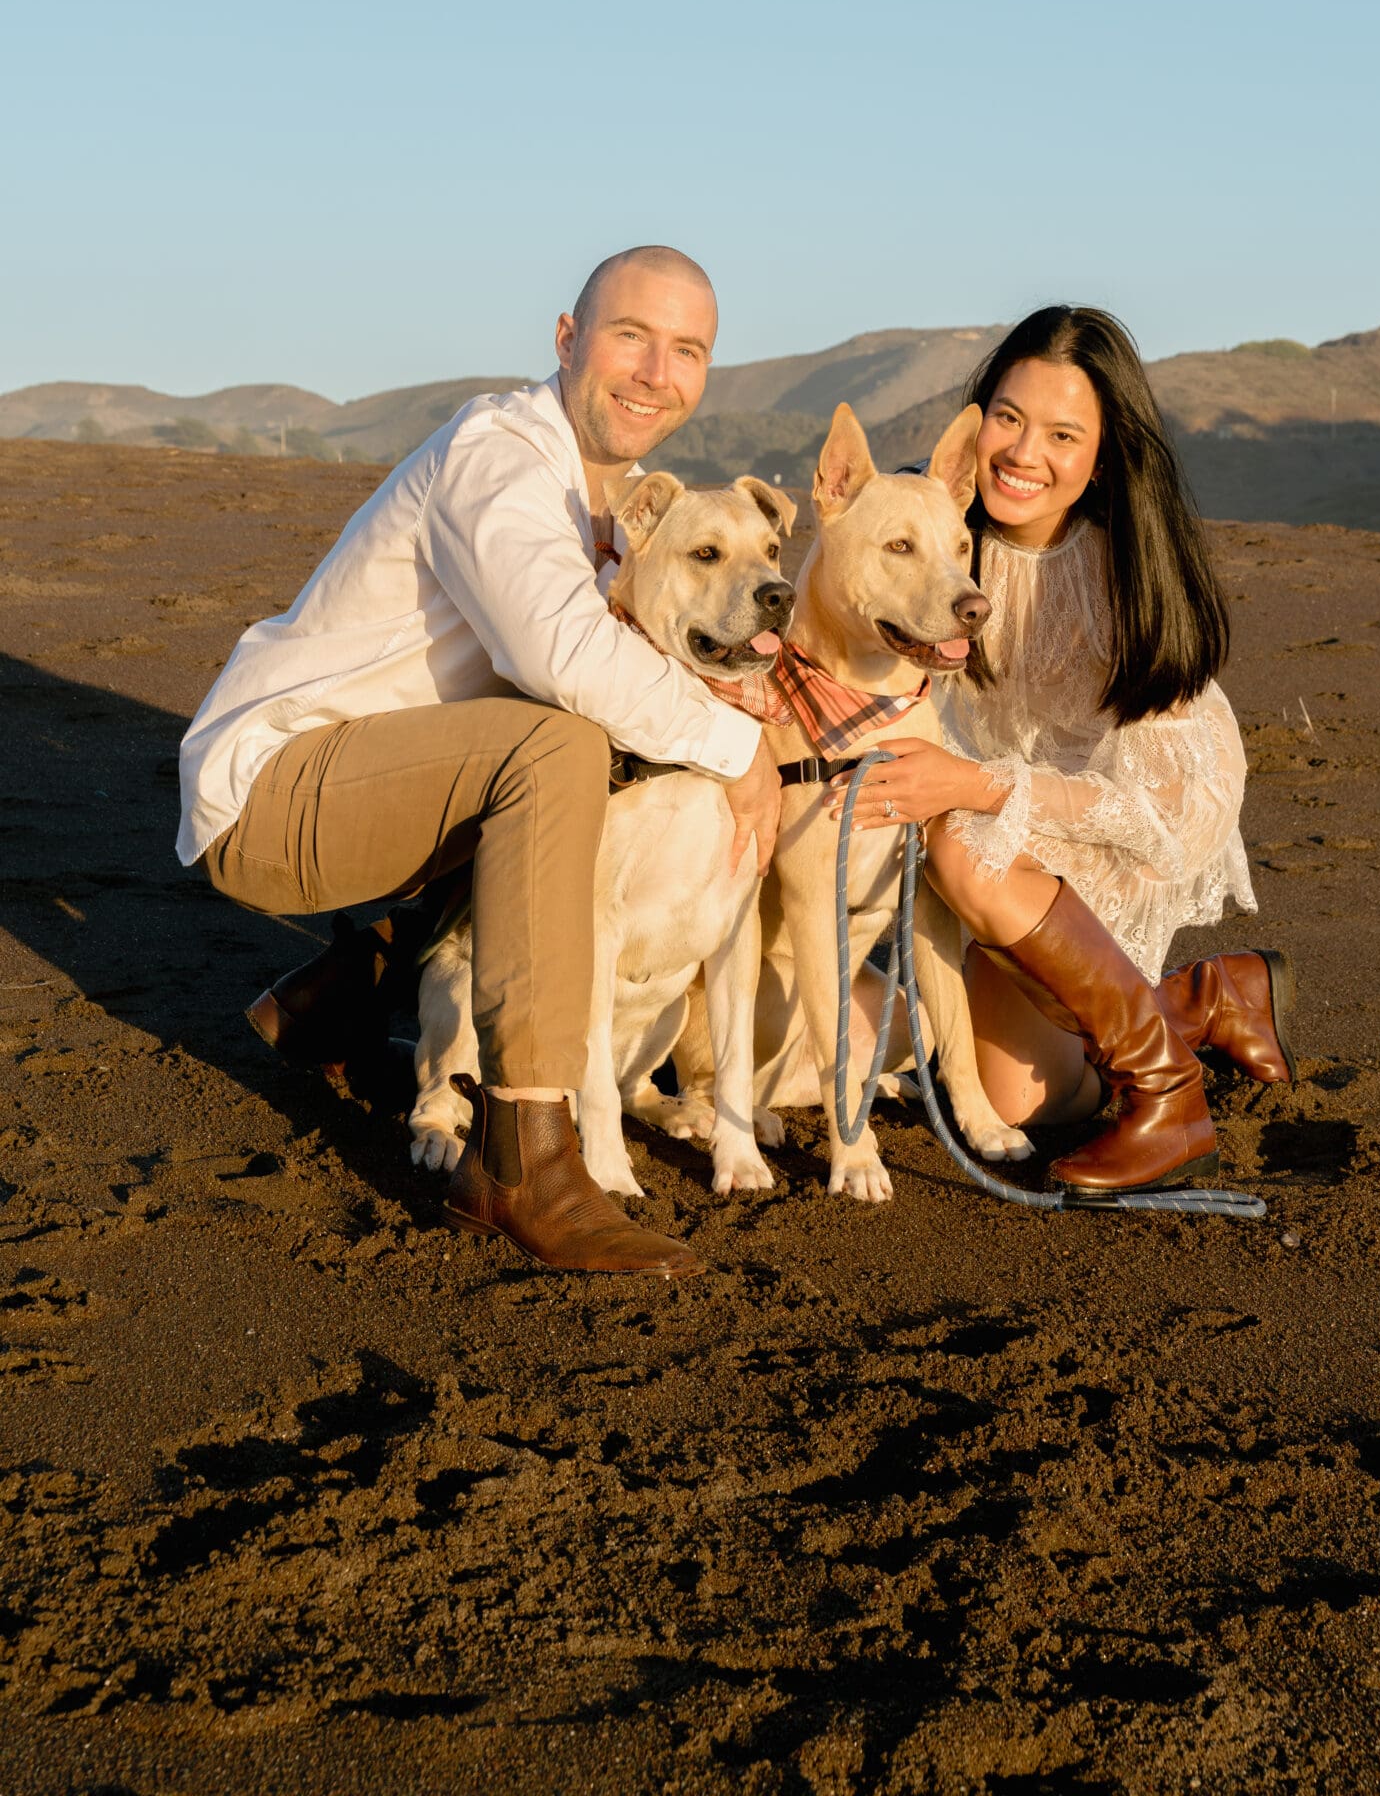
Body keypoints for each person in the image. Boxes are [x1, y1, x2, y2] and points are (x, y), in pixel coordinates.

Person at [177, 245, 782, 1279]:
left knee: (582, 740)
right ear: (567, 339)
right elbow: (560, 656)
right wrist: (743, 750)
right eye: (630, 335)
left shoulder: (624, 505)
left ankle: (360, 978)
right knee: (559, 739)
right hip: (274, 788)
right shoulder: (502, 460)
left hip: (383, 788)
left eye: (686, 350)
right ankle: (526, 1163)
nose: (654, 371)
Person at [832, 305, 1293, 1197]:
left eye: (1061, 434)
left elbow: (1170, 816)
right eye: (1007, 418)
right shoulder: (929, 532)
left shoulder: (1126, 573)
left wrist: (974, 784)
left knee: (960, 839)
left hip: (1108, 844)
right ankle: (1204, 1002)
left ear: (1103, 451)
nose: (1022, 453)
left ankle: (1166, 1095)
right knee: (1019, 1096)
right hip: (976, 857)